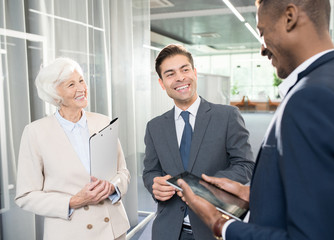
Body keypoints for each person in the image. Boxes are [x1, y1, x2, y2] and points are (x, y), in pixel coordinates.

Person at [178, 0, 334, 239]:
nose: (262, 49)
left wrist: (218, 224)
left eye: (262, 33)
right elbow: (328, 195)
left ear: (290, 17)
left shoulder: (312, 97)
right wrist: (251, 194)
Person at [142, 44, 255, 240]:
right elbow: (150, 171)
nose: (180, 78)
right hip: (169, 231)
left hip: (215, 227)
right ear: (162, 83)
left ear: (195, 73)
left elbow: (245, 165)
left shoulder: (227, 116)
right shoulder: (155, 126)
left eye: (185, 69)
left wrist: (205, 187)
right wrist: (155, 184)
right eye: (170, 74)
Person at [15, 58, 130, 240]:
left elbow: (122, 172)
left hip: (113, 231)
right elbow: (26, 195)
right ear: (55, 96)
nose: (81, 89)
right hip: (70, 233)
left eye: (81, 80)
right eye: (71, 84)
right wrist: (74, 201)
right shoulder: (35, 132)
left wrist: (112, 187)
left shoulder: (103, 122)